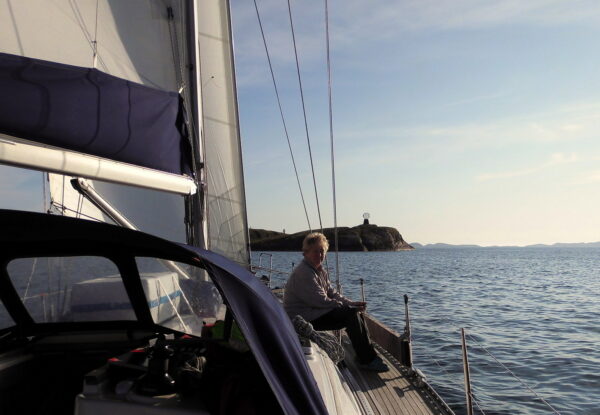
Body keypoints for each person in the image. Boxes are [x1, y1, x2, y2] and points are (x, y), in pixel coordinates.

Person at [283, 232, 389, 372]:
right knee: (350, 315)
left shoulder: (319, 270)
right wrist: (347, 307)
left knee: (354, 313)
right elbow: (320, 300)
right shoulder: (304, 273)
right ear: (306, 252)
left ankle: (365, 355)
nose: (320, 255)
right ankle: (367, 360)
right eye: (316, 251)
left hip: (313, 313)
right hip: (301, 319)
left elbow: (331, 293)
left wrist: (351, 303)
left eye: (322, 251)